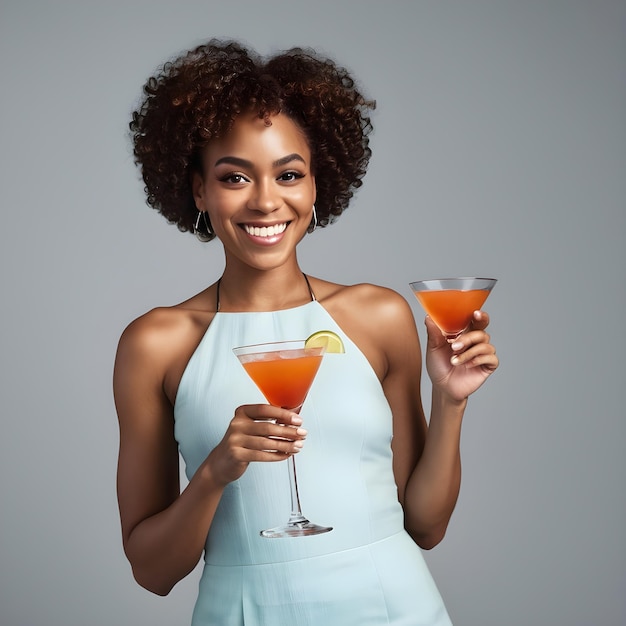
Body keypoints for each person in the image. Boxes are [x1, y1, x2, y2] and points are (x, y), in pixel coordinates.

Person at [114, 39, 499, 626]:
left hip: (392, 607)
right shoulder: (157, 343)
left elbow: (424, 525)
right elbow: (152, 572)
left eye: (288, 174)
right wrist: (217, 470)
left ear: (317, 185)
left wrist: (450, 402)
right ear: (198, 191)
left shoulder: (377, 317)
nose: (266, 201)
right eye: (234, 177)